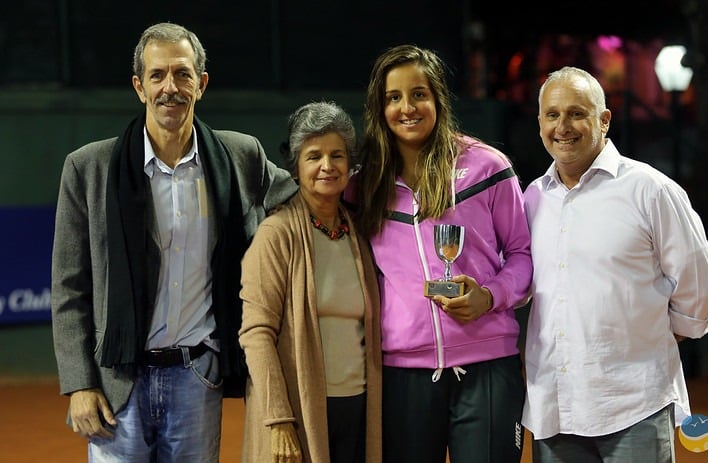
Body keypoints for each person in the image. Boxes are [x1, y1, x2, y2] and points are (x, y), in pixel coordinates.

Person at [50, 22, 297, 462]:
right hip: (116, 382)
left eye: (182, 74)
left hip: (196, 377)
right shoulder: (88, 168)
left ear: (201, 84)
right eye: (157, 75)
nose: (171, 87)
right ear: (139, 87)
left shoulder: (240, 157)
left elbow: (308, 194)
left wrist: (375, 185)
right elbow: (70, 288)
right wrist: (80, 383)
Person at [522, 66, 708, 462]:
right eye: (552, 114)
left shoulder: (650, 190)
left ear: (604, 120)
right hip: (554, 409)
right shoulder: (532, 198)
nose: (563, 126)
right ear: (540, 122)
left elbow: (701, 291)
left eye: (577, 113)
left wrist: (654, 339)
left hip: (635, 406)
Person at [347, 44, 532, 463]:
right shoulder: (363, 186)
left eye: (418, 94)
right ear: (379, 107)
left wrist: (489, 296)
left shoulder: (487, 167)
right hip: (401, 372)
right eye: (393, 97)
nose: (406, 107)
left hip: (488, 363)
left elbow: (522, 254)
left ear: (437, 100)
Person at [239, 101, 382, 463]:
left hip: (358, 406)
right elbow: (256, 334)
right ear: (296, 166)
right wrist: (278, 419)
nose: (327, 166)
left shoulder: (359, 232)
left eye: (337, 155)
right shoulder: (276, 234)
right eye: (314, 156)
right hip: (298, 411)